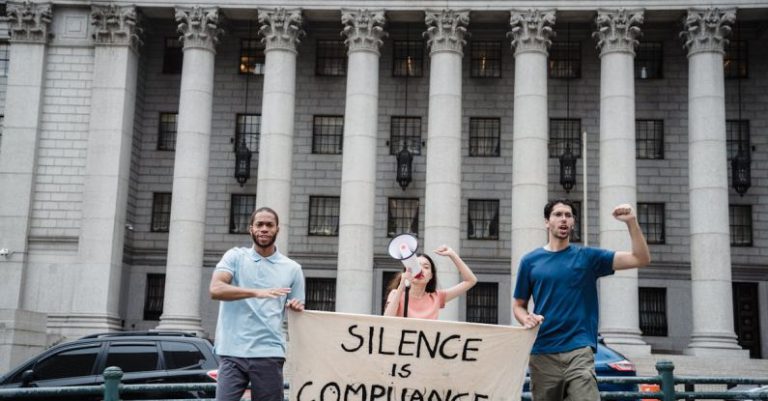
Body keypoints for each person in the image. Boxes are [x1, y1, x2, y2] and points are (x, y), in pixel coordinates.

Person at [513, 199, 651, 401]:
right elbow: (518, 305)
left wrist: (631, 222)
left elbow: (640, 258)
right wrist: (526, 318)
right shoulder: (530, 261)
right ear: (547, 222)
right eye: (558, 214)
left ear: (573, 223)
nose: (563, 219)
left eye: (568, 215)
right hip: (543, 351)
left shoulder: (588, 257)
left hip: (579, 349)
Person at [209, 207, 305, 401]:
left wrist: (296, 308)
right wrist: (256, 292)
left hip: (269, 352)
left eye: (269, 225)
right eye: (259, 224)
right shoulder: (235, 257)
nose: (264, 229)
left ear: (277, 229)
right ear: (250, 229)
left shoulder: (293, 269)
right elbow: (216, 289)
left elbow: (298, 311)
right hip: (232, 352)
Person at [383, 245, 477, 319]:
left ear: (431, 276)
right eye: (416, 266)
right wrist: (402, 285)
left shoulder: (436, 297)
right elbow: (387, 319)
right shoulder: (396, 294)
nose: (420, 270)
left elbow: (471, 280)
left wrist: (452, 254)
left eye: (426, 267)